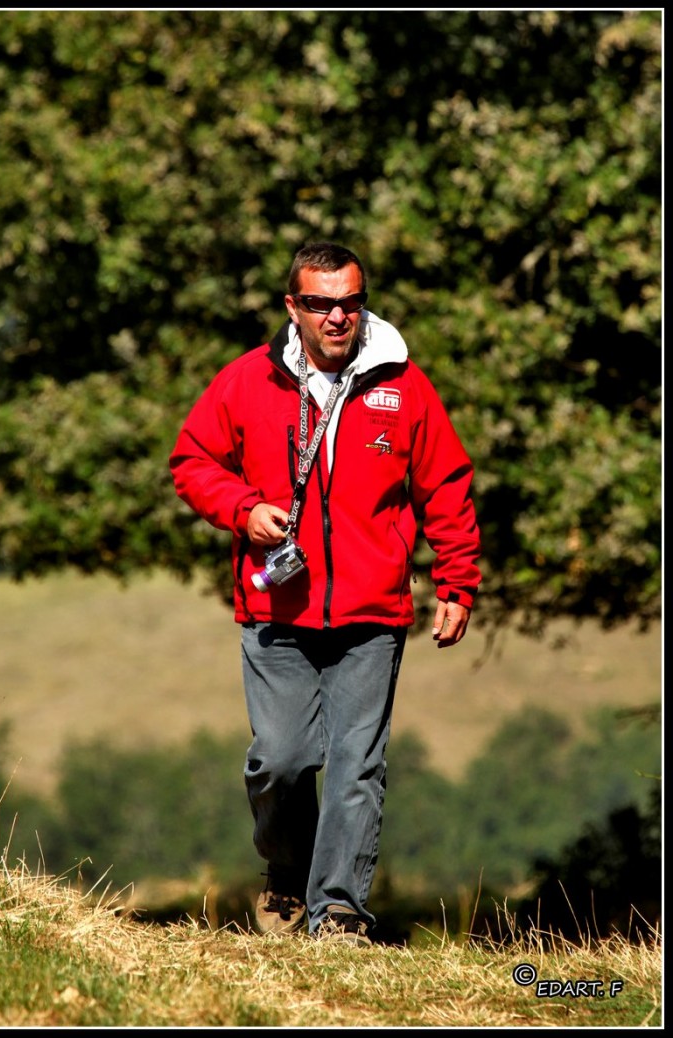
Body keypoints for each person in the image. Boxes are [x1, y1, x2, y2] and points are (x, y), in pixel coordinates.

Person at [169, 242, 481, 947]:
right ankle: (287, 870)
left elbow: (446, 484)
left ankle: (338, 913)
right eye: (319, 303)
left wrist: (457, 579)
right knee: (279, 761)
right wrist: (243, 508)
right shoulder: (248, 380)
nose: (336, 316)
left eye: (349, 302)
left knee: (355, 766)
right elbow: (192, 460)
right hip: (276, 611)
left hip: (372, 613)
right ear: (294, 307)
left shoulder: (403, 384)